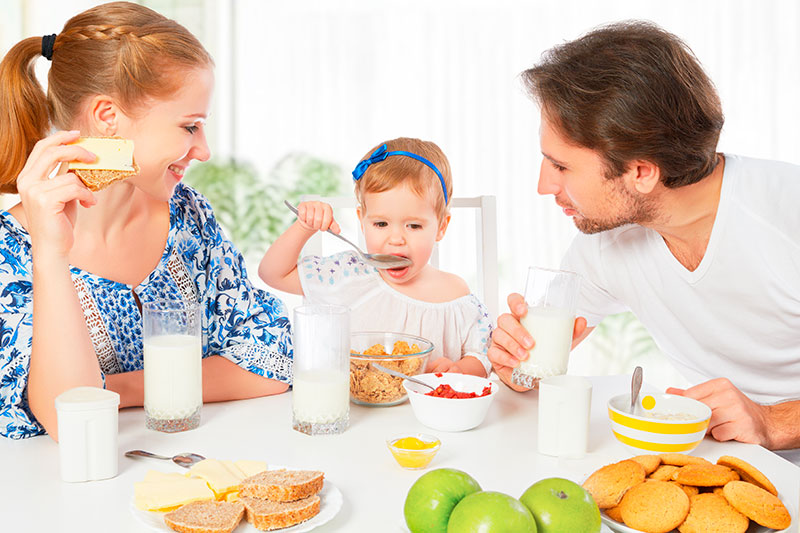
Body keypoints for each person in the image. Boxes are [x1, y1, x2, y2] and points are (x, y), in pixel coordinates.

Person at [488, 21, 800, 455]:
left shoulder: (787, 213)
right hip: (730, 459)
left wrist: (773, 421)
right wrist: (515, 362)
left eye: (560, 166)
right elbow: (533, 365)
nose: (543, 185)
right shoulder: (605, 243)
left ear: (640, 172)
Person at [0, 2, 293, 441]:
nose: (204, 150)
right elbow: (69, 420)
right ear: (108, 117)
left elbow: (273, 360)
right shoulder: (13, 252)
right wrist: (50, 254)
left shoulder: (189, 217)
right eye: (190, 126)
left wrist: (118, 389)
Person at [260, 137, 492, 377]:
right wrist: (304, 227)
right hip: (351, 410)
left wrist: (459, 370)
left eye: (413, 226)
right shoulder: (347, 274)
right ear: (362, 221)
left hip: (425, 413)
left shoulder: (454, 295)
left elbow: (481, 357)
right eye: (381, 223)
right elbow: (273, 273)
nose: (396, 239)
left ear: (442, 226)